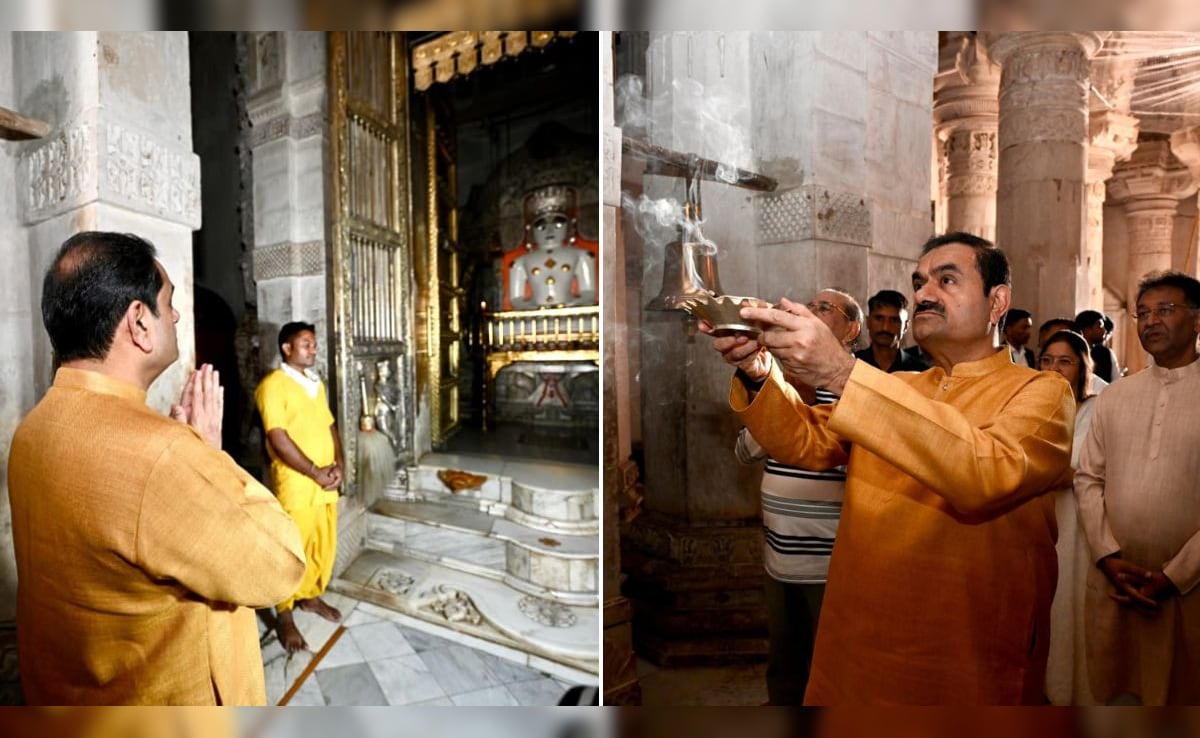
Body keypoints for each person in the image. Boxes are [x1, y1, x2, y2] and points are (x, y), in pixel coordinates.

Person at [706, 231, 1074, 704]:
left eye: (946, 280)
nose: (923, 294)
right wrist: (760, 372)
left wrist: (841, 372)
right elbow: (806, 441)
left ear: (997, 301)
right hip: (860, 636)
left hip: (963, 649)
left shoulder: (1041, 392)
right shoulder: (903, 384)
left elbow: (986, 474)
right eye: (919, 282)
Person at [7, 231, 305, 705]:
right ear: (139, 322)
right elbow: (281, 566)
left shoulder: (32, 431)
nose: (177, 316)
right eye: (168, 303)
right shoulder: (162, 454)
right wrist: (208, 455)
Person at [1074, 270, 1200, 705]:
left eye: (1165, 310)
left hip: (1188, 590)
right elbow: (1088, 478)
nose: (1150, 322)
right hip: (1115, 583)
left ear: (1197, 319)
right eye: (1142, 313)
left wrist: (1176, 575)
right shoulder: (1116, 396)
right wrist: (1106, 555)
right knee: (1114, 693)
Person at [735, 288, 861, 705]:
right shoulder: (783, 380)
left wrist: (804, 410)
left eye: (825, 307)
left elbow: (850, 461)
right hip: (780, 557)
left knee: (831, 668)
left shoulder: (859, 389)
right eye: (811, 305)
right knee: (784, 662)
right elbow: (744, 452)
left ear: (851, 329)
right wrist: (779, 400)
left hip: (830, 563)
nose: (812, 311)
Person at [255, 322, 346, 653]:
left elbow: (330, 426)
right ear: (287, 348)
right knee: (291, 549)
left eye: (314, 344)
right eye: (306, 343)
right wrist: (313, 471)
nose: (313, 349)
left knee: (322, 543)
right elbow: (277, 436)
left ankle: (310, 597)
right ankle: (284, 614)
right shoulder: (272, 385)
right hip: (297, 483)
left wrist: (340, 464)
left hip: (325, 481)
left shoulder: (314, 384)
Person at [1039, 330, 1100, 705]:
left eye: (1065, 361)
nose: (1054, 369)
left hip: (1078, 523)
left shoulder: (1098, 409)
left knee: (1070, 605)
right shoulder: (1028, 407)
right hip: (1036, 519)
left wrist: (1065, 475)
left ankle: (1072, 693)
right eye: (1047, 360)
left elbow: (1099, 469)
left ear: (1082, 367)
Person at [504, 185, 597, 310]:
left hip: (571, 310)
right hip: (534, 314)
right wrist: (531, 309)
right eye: (541, 227)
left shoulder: (582, 255)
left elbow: (588, 292)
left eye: (558, 225)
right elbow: (516, 299)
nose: (550, 231)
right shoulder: (519, 262)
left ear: (571, 225)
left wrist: (574, 305)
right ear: (530, 230)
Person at [853, 289, 931, 373]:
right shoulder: (852, 365)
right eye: (879, 318)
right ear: (868, 321)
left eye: (894, 320)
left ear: (905, 326)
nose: (885, 327)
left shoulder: (920, 372)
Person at [1074, 310, 1121, 383]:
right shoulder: (1072, 351)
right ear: (1087, 330)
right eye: (1100, 326)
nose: (1104, 330)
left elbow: (1116, 382)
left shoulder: (1106, 353)